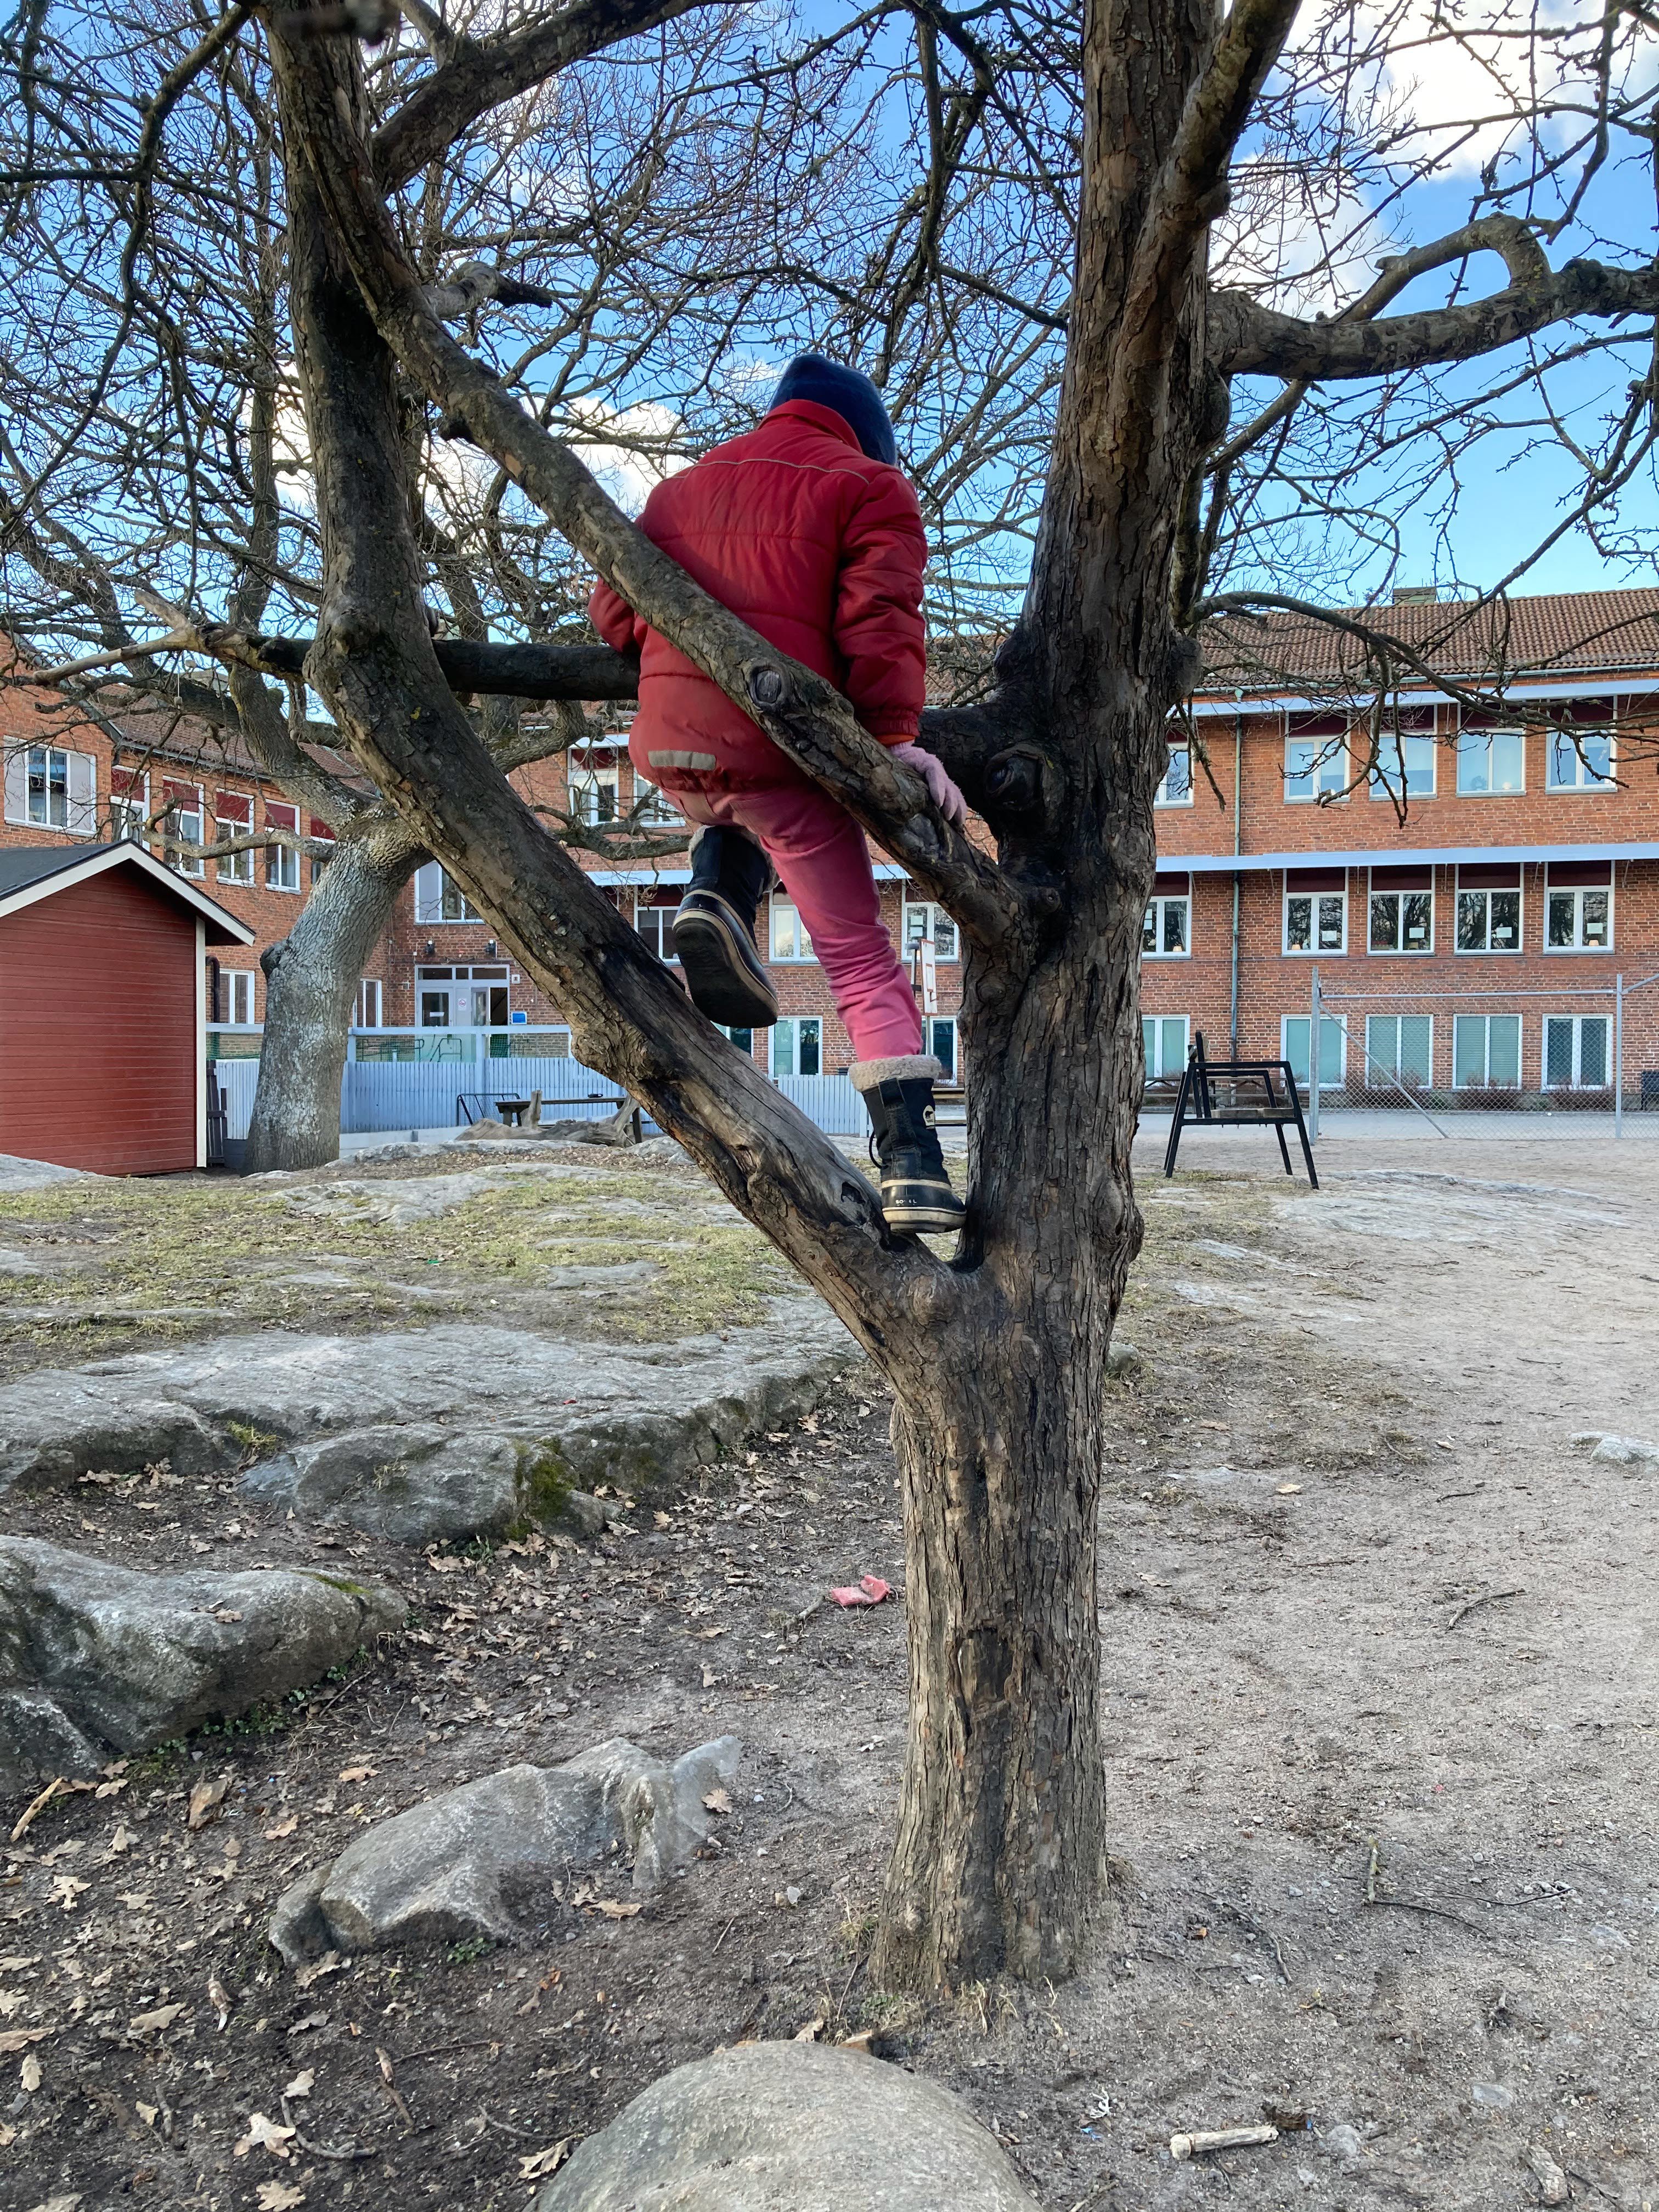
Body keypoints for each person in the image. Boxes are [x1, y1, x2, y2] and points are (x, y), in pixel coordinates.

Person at [588, 354, 968, 1236]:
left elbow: (613, 616)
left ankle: (718, 887)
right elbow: (882, 622)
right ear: (865, 432)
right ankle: (914, 1166)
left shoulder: (678, 491)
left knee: (726, 798)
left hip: (676, 752)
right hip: (782, 758)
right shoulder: (870, 487)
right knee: (860, 959)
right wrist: (897, 742)